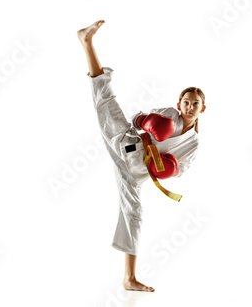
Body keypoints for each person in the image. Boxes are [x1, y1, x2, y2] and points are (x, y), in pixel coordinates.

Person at [77, 20, 206, 292]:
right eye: (186, 102)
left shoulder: (193, 144)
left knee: (134, 214)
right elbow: (136, 120)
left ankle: (129, 278)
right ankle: (87, 42)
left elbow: (181, 169)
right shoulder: (170, 114)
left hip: (135, 172)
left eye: (195, 103)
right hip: (123, 141)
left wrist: (170, 169)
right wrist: (147, 120)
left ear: (203, 108)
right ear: (179, 102)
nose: (189, 107)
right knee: (105, 99)